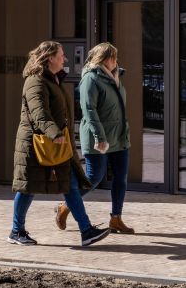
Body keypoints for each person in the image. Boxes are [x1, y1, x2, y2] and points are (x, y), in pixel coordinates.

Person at [9, 40, 110, 248]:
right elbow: (39, 113)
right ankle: (16, 230)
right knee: (27, 187)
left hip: (55, 143)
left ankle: (86, 231)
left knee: (70, 183)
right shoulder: (35, 82)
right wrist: (54, 133)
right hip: (36, 144)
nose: (65, 58)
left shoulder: (53, 79)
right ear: (49, 58)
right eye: (61, 55)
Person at [55, 42, 135, 236]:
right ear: (102, 59)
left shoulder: (114, 77)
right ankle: (66, 206)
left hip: (118, 137)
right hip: (98, 138)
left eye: (116, 57)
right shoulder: (91, 79)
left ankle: (116, 219)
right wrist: (100, 137)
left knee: (121, 179)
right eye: (112, 57)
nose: (116, 61)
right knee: (94, 177)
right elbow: (89, 110)